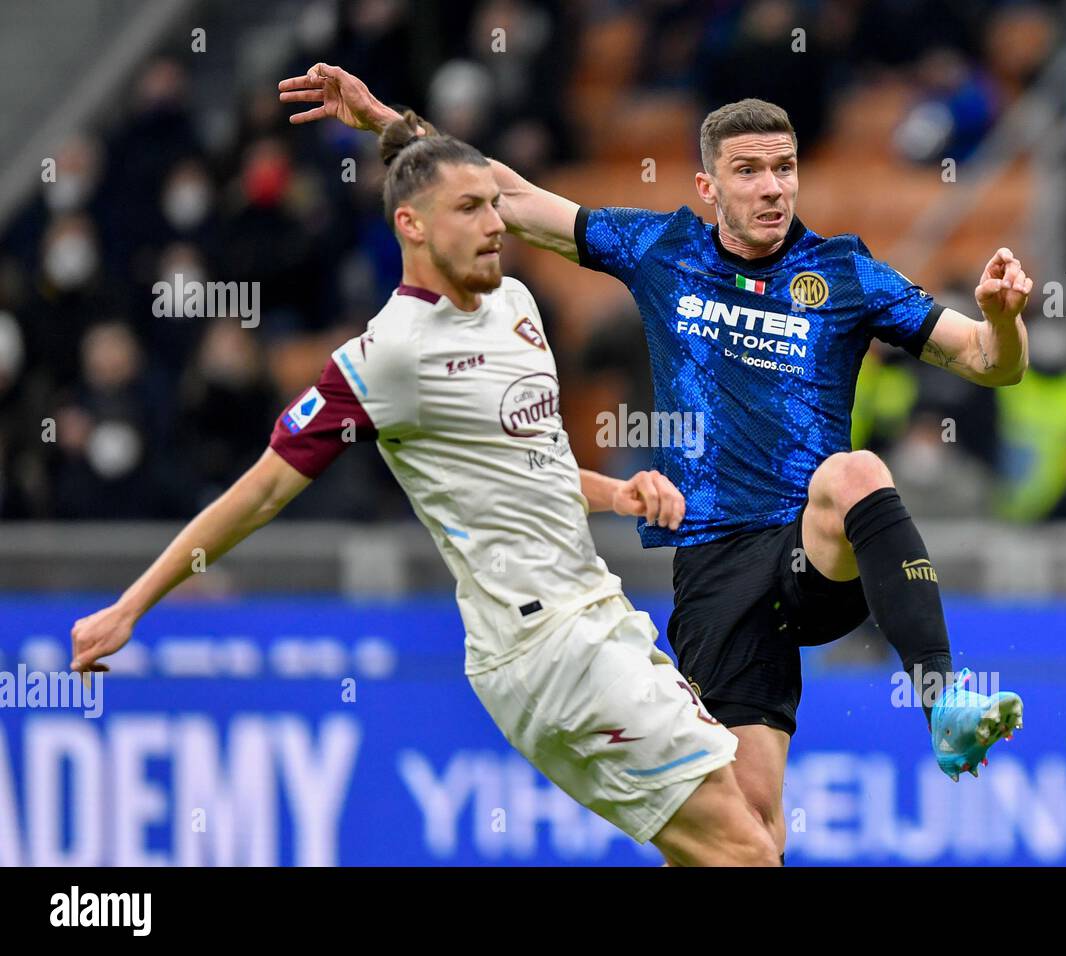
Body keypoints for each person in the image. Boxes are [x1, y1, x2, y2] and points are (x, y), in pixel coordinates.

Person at [279, 64, 1027, 859]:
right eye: (749, 171)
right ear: (708, 186)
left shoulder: (842, 273)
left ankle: (943, 701)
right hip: (714, 567)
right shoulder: (663, 249)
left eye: (785, 168)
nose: (773, 188)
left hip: (811, 551)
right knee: (750, 836)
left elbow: (989, 361)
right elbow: (509, 196)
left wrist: (1003, 320)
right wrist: (387, 122)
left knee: (854, 473)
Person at [70, 115, 778, 868]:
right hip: (546, 645)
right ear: (410, 224)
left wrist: (617, 492)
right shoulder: (387, 357)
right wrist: (131, 604)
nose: (493, 221)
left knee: (747, 832)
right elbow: (263, 490)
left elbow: (525, 464)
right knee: (745, 851)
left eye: (493, 203)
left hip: (594, 614)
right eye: (468, 209)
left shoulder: (516, 305)